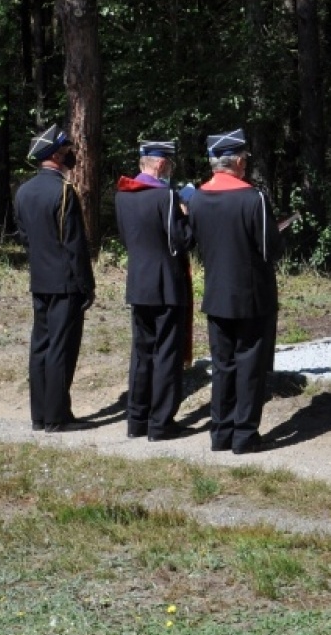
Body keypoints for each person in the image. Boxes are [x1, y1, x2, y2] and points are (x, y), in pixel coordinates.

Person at [188, 129, 283, 454]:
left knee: (223, 365)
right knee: (249, 366)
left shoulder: (197, 197)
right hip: (251, 295)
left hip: (216, 293)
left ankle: (220, 433)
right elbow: (272, 249)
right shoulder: (252, 198)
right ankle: (244, 435)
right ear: (239, 161)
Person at [14, 123, 96, 431]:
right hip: (65, 283)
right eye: (66, 150)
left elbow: (25, 236)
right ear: (56, 154)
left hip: (39, 280)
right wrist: (86, 285)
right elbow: (74, 245)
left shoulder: (23, 191)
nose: (70, 154)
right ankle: (57, 417)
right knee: (61, 349)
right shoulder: (63, 191)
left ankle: (40, 416)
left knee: (41, 347)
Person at [114, 138, 194, 441]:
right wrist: (187, 214)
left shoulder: (122, 195)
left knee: (141, 353)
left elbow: (127, 238)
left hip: (138, 281)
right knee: (166, 355)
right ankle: (161, 422)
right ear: (161, 164)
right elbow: (180, 242)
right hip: (167, 284)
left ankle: (136, 419)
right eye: (169, 165)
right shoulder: (167, 197)